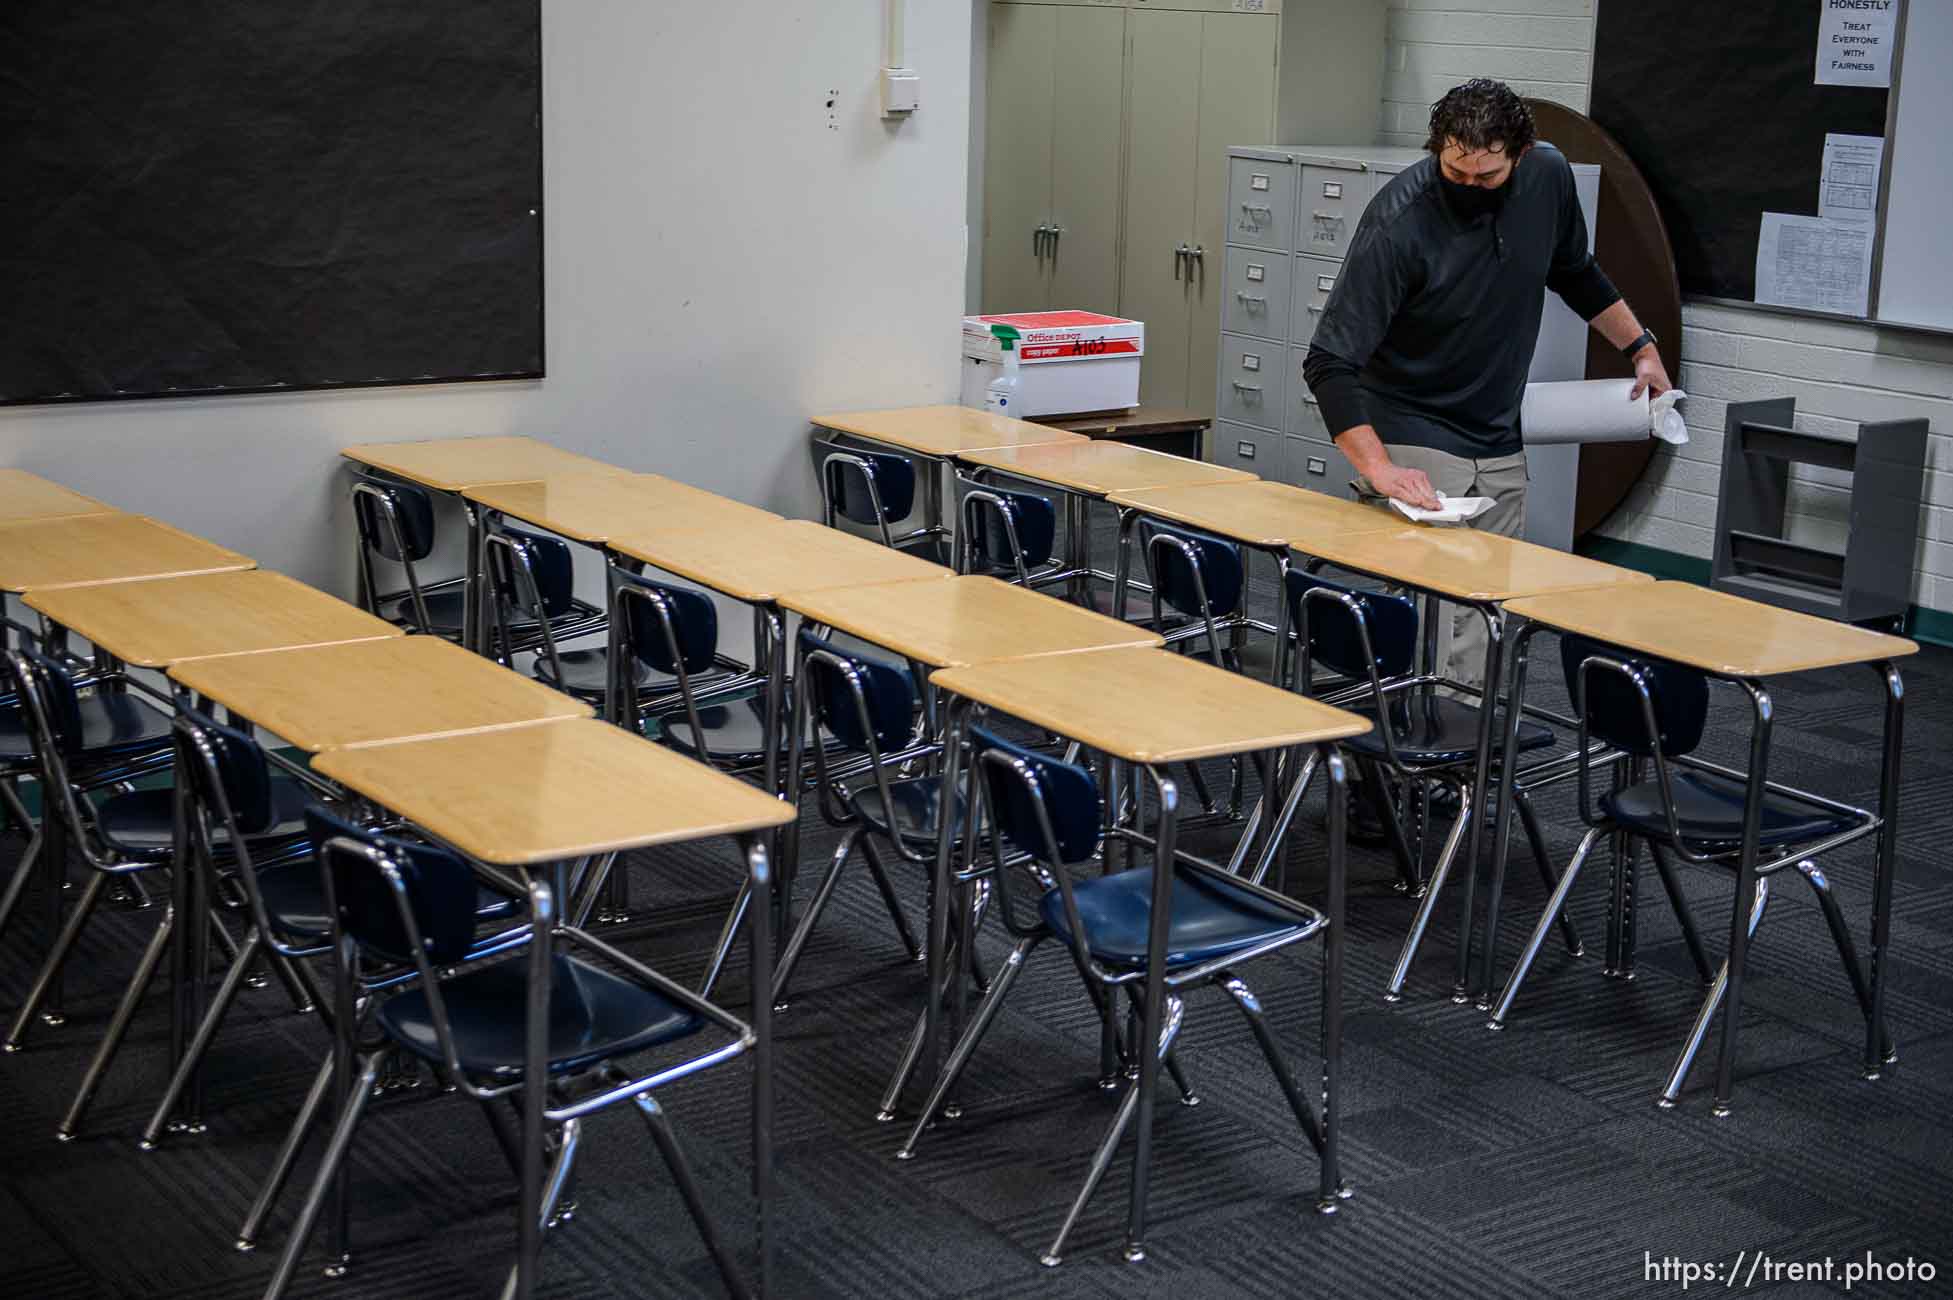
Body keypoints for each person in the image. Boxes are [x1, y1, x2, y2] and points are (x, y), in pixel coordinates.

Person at [1303, 78, 1673, 688]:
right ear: (1437, 151)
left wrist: (1640, 345)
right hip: (1410, 423)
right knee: (1431, 614)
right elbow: (1329, 363)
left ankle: (1461, 751)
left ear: (1520, 156)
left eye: (1487, 177)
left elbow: (1574, 270)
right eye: (1456, 172)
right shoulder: (1398, 223)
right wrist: (1379, 469)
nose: (1470, 188)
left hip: (1497, 429)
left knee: (1486, 609)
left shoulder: (1548, 178)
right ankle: (1404, 749)